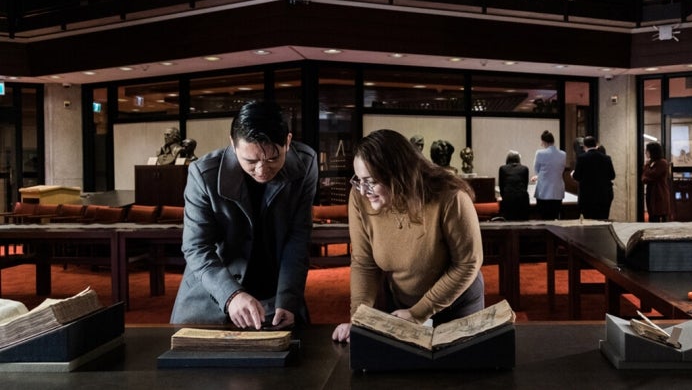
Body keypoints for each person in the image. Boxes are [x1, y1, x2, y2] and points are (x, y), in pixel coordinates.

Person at [170, 101, 318, 329]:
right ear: (233, 144)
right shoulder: (203, 174)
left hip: (274, 292)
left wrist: (288, 298)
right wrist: (230, 295)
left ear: (288, 142)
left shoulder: (305, 164)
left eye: (272, 159)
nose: (262, 170)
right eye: (251, 160)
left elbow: (298, 237)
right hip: (211, 294)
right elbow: (196, 248)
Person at [331, 129, 484, 343]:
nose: (363, 190)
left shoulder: (450, 197)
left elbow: (467, 263)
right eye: (358, 180)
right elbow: (364, 263)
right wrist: (359, 319)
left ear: (398, 175)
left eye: (371, 181)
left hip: (457, 302)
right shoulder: (359, 197)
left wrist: (419, 312)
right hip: (403, 304)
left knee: (458, 373)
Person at [572, 136, 616, 220]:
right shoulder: (606, 158)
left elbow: (577, 176)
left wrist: (572, 174)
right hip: (604, 195)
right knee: (603, 219)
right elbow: (612, 176)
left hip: (587, 196)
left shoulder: (581, 158)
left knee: (589, 221)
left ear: (584, 146)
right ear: (595, 144)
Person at [531, 130, 567, 220]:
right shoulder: (563, 154)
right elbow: (561, 170)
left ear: (543, 142)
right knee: (555, 216)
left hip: (544, 190)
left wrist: (540, 175)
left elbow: (536, 170)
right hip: (557, 190)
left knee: (544, 218)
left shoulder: (540, 153)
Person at [642, 141, 671, 222]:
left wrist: (647, 168)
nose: (645, 153)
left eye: (647, 151)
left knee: (659, 215)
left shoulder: (662, 163)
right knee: (652, 215)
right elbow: (644, 178)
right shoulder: (651, 163)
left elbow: (651, 175)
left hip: (659, 193)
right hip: (651, 193)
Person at [498, 150, 530, 221]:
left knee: (509, 221)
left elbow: (501, 185)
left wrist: (505, 196)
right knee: (523, 221)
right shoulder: (524, 168)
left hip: (508, 196)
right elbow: (525, 185)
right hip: (522, 197)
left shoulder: (503, 168)